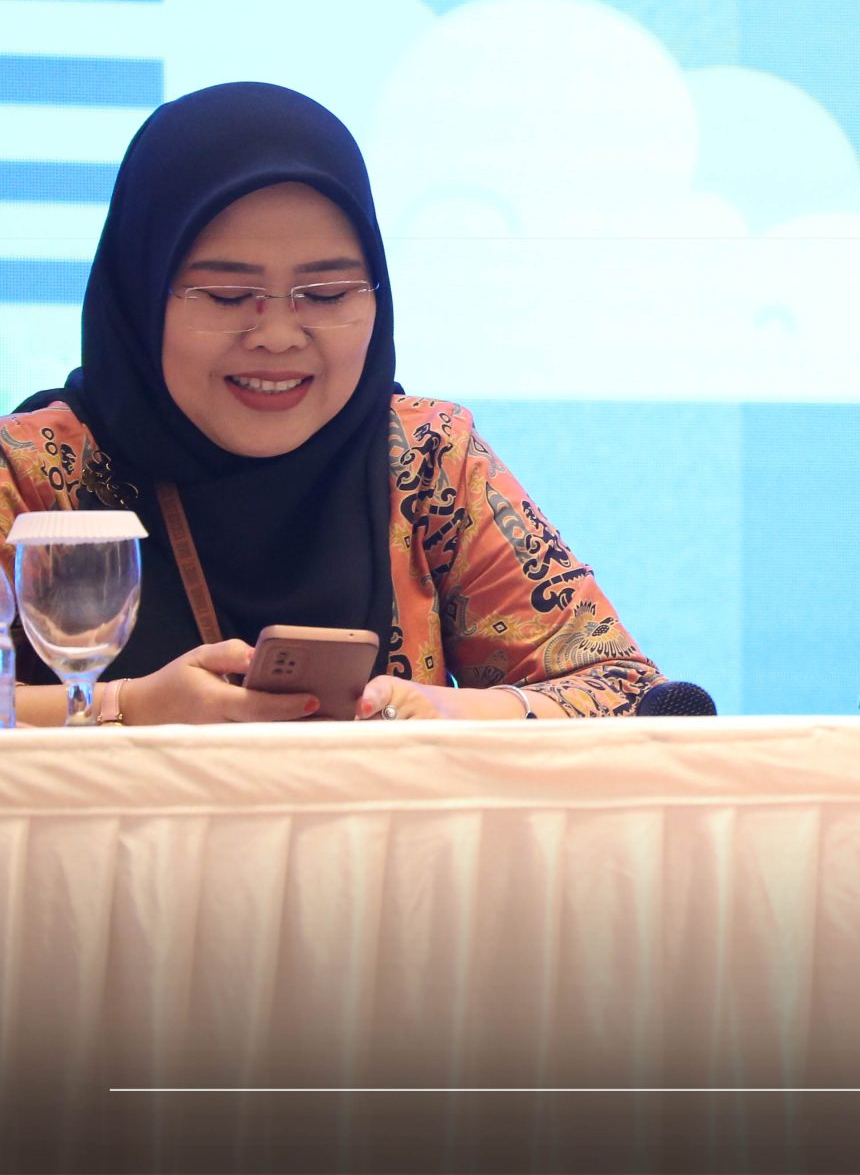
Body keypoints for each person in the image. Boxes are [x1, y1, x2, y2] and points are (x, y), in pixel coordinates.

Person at [2, 82, 659, 725]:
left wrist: (454, 710)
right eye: (228, 297)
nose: (278, 335)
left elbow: (627, 689)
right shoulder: (34, 471)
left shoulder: (426, 459)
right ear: (140, 297)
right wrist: (127, 707)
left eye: (327, 295)